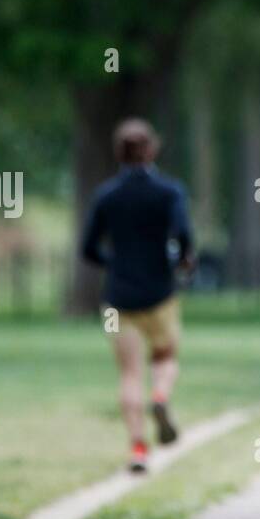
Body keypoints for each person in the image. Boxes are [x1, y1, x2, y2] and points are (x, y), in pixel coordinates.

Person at [81, 118, 195, 474]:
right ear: (152, 149)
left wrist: (114, 264)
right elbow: (184, 235)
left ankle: (138, 449)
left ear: (119, 152)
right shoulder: (170, 192)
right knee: (164, 358)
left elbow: (88, 248)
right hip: (160, 293)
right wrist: (180, 262)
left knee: (129, 374)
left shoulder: (107, 196)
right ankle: (159, 397)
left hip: (118, 298)